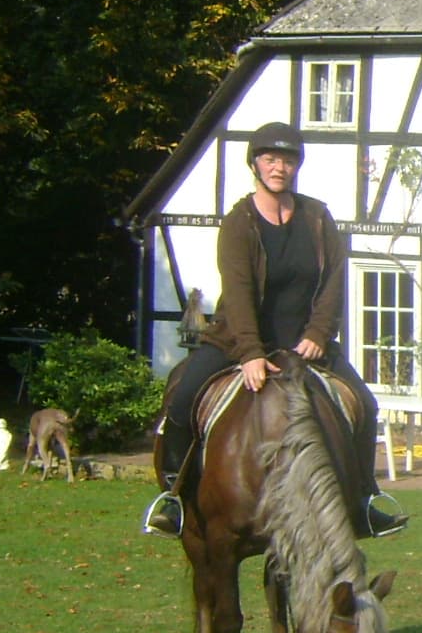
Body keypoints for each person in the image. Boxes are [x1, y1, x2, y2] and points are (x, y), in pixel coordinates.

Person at [143, 121, 407, 539]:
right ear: (255, 164)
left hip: (307, 344)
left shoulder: (317, 218)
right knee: (183, 396)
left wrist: (319, 333)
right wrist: (250, 353)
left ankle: (363, 500)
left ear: (296, 166)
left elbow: (335, 279)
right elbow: (239, 290)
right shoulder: (238, 223)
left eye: (287, 159)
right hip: (237, 340)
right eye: (270, 158)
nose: (279, 166)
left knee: (366, 405)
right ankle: (173, 497)